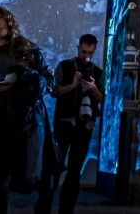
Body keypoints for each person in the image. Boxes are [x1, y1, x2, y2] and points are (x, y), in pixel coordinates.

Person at [0, 7, 57, 214]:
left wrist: (22, 76)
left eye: (0, 17)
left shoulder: (28, 49)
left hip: (24, 122)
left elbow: (49, 82)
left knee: (35, 177)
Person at [51, 34, 105, 214]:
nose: (86, 56)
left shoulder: (97, 73)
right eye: (83, 52)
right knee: (54, 167)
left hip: (85, 126)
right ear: (78, 48)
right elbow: (55, 91)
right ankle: (45, 206)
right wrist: (73, 85)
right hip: (63, 123)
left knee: (75, 171)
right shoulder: (64, 66)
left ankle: (66, 209)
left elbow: (101, 99)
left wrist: (93, 87)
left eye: (89, 53)